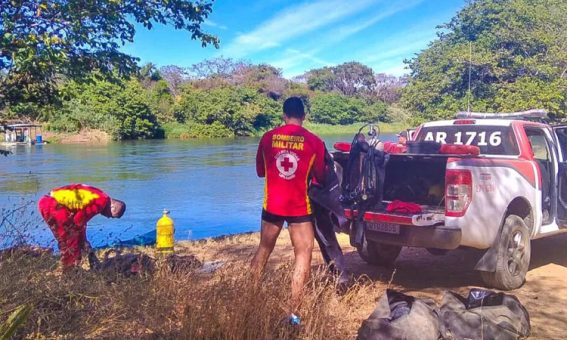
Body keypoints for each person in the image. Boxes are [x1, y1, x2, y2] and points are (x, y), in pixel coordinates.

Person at [251, 97, 326, 324]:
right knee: (303, 256)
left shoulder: (267, 138)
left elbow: (260, 172)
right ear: (303, 116)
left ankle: (250, 301)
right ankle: (294, 314)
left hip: (272, 205)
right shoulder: (315, 142)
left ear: (284, 115)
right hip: (299, 207)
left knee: (263, 250)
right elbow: (320, 177)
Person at [38, 184, 126, 269]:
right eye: (111, 215)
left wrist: (84, 241)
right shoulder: (100, 203)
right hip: (54, 205)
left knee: (67, 240)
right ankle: (69, 273)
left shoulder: (101, 195)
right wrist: (83, 242)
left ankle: (67, 266)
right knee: (70, 241)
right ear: (113, 207)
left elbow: (81, 220)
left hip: (48, 201)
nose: (107, 217)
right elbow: (77, 222)